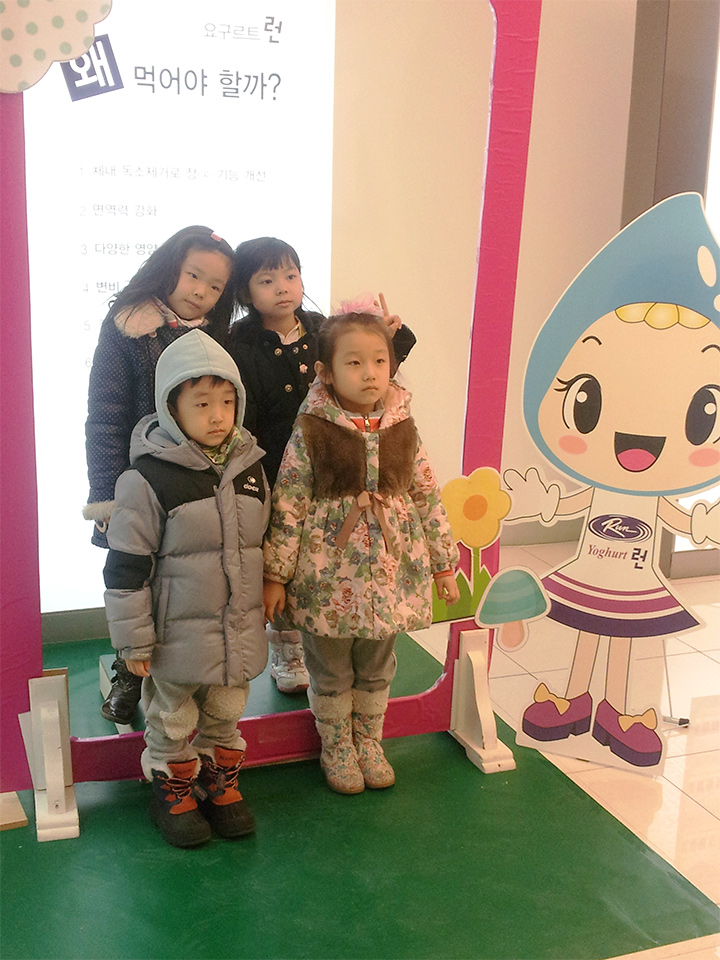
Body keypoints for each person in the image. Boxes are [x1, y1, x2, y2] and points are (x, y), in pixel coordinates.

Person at [263, 309, 460, 795]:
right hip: (327, 572)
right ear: (326, 372)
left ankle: (368, 740)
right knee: (329, 664)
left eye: (379, 361)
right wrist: (276, 575)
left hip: (391, 570)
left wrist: (443, 564)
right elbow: (289, 501)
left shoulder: (403, 425)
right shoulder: (312, 429)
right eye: (354, 362)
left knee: (376, 662)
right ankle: (336, 744)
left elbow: (426, 494)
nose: (370, 373)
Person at [228, 236, 417, 696]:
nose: (282, 287)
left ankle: (329, 635)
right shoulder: (239, 343)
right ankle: (285, 646)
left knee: (318, 560)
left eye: (290, 275)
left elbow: (365, 363)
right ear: (245, 292)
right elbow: (242, 417)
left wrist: (390, 335)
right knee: (279, 558)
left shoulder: (320, 328)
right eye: (267, 280)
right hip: (273, 467)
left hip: (327, 467)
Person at [103, 330, 269, 847]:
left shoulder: (251, 467)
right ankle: (172, 789)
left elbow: (260, 546)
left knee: (225, 709)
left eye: (227, 402)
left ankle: (219, 782)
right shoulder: (146, 478)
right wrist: (133, 642)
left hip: (236, 631)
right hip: (174, 636)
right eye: (201, 403)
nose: (218, 415)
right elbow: (126, 568)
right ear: (171, 406)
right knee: (173, 717)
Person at [84, 226, 235, 725]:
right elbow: (105, 416)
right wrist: (106, 495)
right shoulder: (128, 327)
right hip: (137, 479)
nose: (200, 291)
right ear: (170, 267)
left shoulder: (218, 337)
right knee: (134, 575)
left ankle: (185, 674)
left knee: (186, 579)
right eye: (193, 275)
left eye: (215, 286)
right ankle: (129, 671)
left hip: (195, 484)